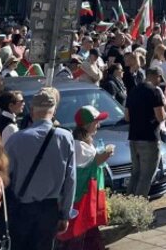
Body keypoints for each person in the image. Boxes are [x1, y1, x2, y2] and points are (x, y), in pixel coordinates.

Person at [4, 87, 77, 248]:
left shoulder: (16, 140)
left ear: (32, 111)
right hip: (49, 210)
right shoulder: (65, 137)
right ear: (54, 111)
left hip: (20, 209)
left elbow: (4, 177)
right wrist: (65, 213)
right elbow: (70, 179)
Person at [57, 106, 114, 250]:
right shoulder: (78, 145)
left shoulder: (83, 141)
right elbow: (94, 162)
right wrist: (107, 153)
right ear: (87, 124)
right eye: (96, 122)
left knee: (87, 232)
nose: (99, 125)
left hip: (84, 194)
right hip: (80, 196)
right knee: (78, 232)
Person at [126, 66, 165, 197]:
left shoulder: (133, 90)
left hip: (134, 136)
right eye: (160, 77)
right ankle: (138, 208)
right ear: (156, 76)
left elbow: (127, 116)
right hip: (149, 138)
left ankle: (128, 203)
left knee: (136, 173)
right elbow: (160, 116)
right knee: (146, 175)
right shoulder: (155, 92)